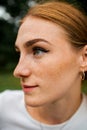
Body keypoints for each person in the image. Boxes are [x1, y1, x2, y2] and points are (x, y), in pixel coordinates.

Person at [0, 1, 87, 130]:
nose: (18, 71)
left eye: (38, 50)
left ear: (84, 58)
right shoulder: (4, 109)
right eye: (19, 53)